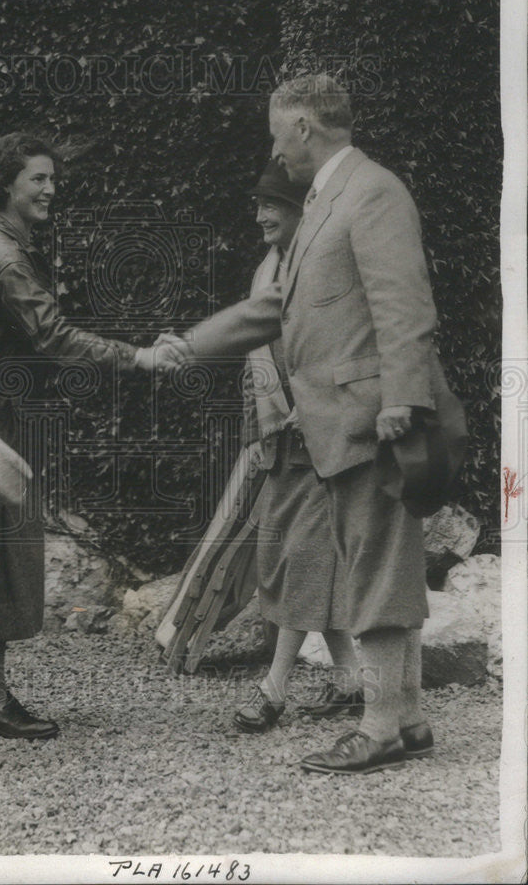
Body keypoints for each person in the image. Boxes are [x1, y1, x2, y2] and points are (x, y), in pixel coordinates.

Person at [179, 73, 450, 774]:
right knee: (379, 567)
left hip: (371, 420)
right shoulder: (328, 197)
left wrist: (402, 402)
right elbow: (275, 310)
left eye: (276, 135)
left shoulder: (372, 190)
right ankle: (410, 719)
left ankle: (381, 728)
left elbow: (405, 304)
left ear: (302, 126)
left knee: (376, 572)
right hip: (341, 420)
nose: (275, 151)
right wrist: (185, 346)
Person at [0, 131, 183, 739]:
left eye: (53, 178)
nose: (51, 188)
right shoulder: (7, 258)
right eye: (38, 178)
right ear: (7, 184)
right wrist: (139, 358)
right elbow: (56, 337)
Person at [231, 161, 362, 734]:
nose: (260, 216)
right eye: (258, 206)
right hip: (281, 435)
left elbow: (339, 349)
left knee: (304, 559)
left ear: (299, 212)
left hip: (321, 433)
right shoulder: (269, 269)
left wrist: (316, 411)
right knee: (294, 557)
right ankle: (354, 681)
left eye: (272, 207)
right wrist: (262, 427)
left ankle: (273, 690)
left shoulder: (320, 268)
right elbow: (254, 354)